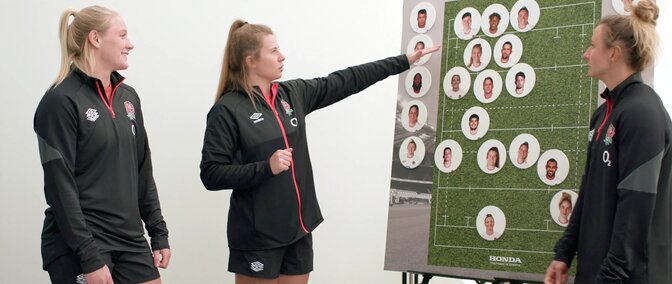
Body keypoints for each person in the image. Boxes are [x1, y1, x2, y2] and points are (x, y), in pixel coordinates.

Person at [200, 20, 439, 283]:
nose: (282, 56)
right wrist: (265, 167)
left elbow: (347, 79)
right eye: (274, 51)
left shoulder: (292, 94)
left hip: (299, 229)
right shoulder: (227, 110)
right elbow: (211, 174)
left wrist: (403, 61)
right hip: (258, 238)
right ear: (251, 61)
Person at [33, 6, 171, 284]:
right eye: (122, 35)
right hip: (82, 243)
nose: (129, 43)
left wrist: (158, 232)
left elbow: (143, 170)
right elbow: (60, 187)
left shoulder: (128, 98)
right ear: (95, 39)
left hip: (129, 238)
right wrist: (89, 256)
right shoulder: (60, 101)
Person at [545, 2, 671, 283]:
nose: (586, 53)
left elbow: (635, 208)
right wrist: (564, 252)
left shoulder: (643, 113)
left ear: (613, 53)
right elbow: (589, 189)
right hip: (597, 271)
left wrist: (610, 276)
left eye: (592, 46)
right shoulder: (604, 113)